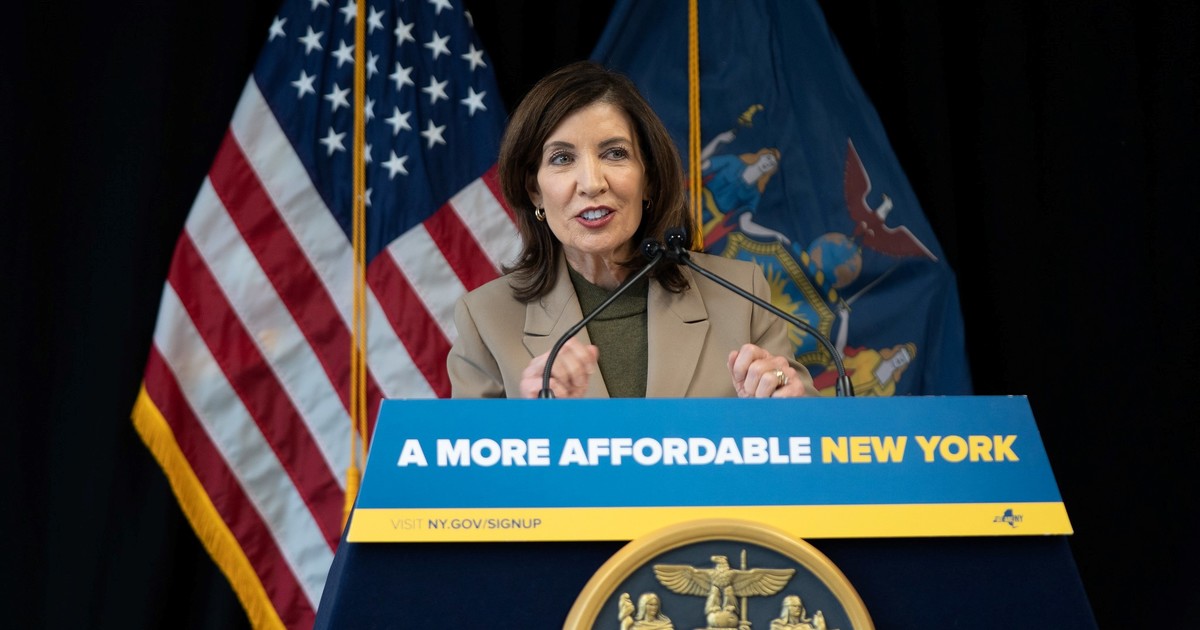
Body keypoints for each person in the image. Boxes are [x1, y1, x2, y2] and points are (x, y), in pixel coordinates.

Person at [447, 60, 813, 399]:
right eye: (562, 158)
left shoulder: (741, 296)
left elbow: (814, 434)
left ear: (648, 179)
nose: (592, 183)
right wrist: (527, 424)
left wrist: (786, 404)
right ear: (534, 191)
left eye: (615, 153)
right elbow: (462, 450)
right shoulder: (485, 320)